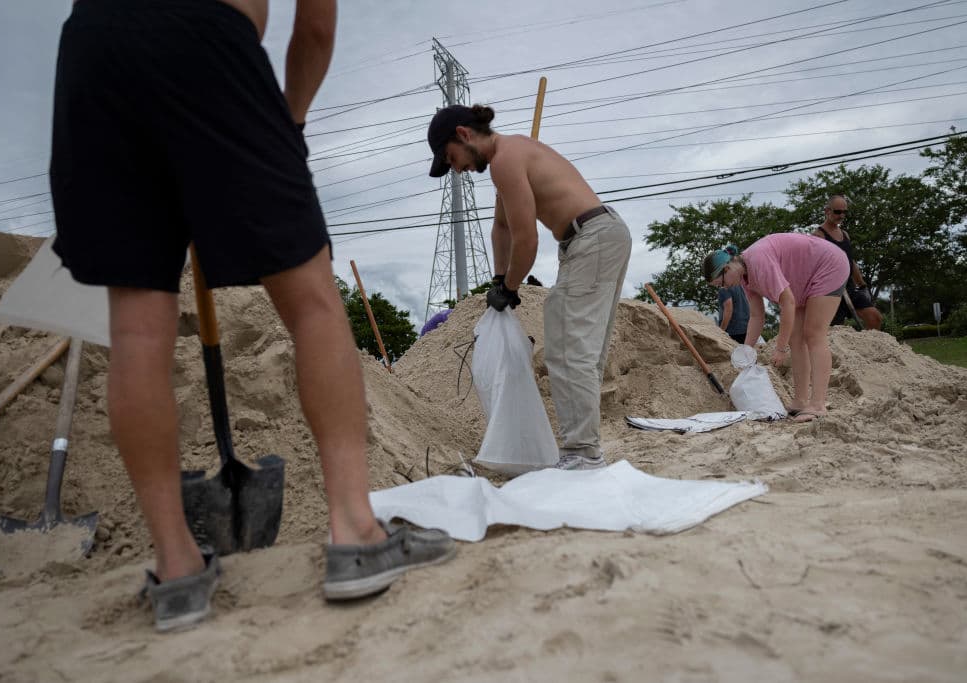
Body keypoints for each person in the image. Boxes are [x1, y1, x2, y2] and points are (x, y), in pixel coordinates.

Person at [49, 0, 453, 632]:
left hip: (94, 49)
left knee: (134, 328)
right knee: (314, 301)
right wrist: (285, 123)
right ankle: (355, 531)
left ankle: (177, 570)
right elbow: (315, 26)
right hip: (209, 38)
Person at [426, 104, 632, 470]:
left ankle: (582, 454)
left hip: (593, 237)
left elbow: (527, 240)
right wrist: (497, 277)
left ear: (463, 134)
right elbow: (502, 228)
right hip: (598, 236)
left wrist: (510, 287)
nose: (456, 169)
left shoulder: (506, 159)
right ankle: (585, 450)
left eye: (450, 158)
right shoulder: (508, 159)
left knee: (569, 346)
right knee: (580, 349)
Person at [701, 235, 849, 422]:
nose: (724, 288)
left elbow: (787, 303)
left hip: (828, 265)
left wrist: (780, 348)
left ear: (727, 268)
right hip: (803, 281)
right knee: (797, 338)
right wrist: (746, 349)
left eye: (721, 283)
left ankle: (818, 404)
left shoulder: (758, 261)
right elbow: (756, 316)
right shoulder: (744, 277)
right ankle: (801, 401)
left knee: (813, 334)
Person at [812, 195, 883, 330]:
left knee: (875, 317)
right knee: (835, 331)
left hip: (849, 287)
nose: (842, 215)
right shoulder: (818, 236)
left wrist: (862, 286)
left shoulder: (844, 234)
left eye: (845, 212)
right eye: (838, 212)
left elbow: (851, 261)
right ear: (827, 211)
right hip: (831, 291)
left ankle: (868, 350)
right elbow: (814, 268)